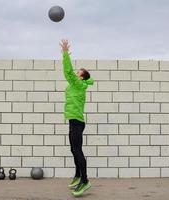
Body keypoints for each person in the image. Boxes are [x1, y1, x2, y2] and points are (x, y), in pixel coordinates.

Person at [60, 39, 94, 197]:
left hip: (77, 122)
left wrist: (65, 53)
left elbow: (67, 71)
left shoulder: (78, 84)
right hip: (74, 121)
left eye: (78, 71)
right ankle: (78, 175)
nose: (75, 72)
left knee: (77, 150)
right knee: (73, 149)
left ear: (81, 77)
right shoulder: (77, 85)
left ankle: (85, 180)